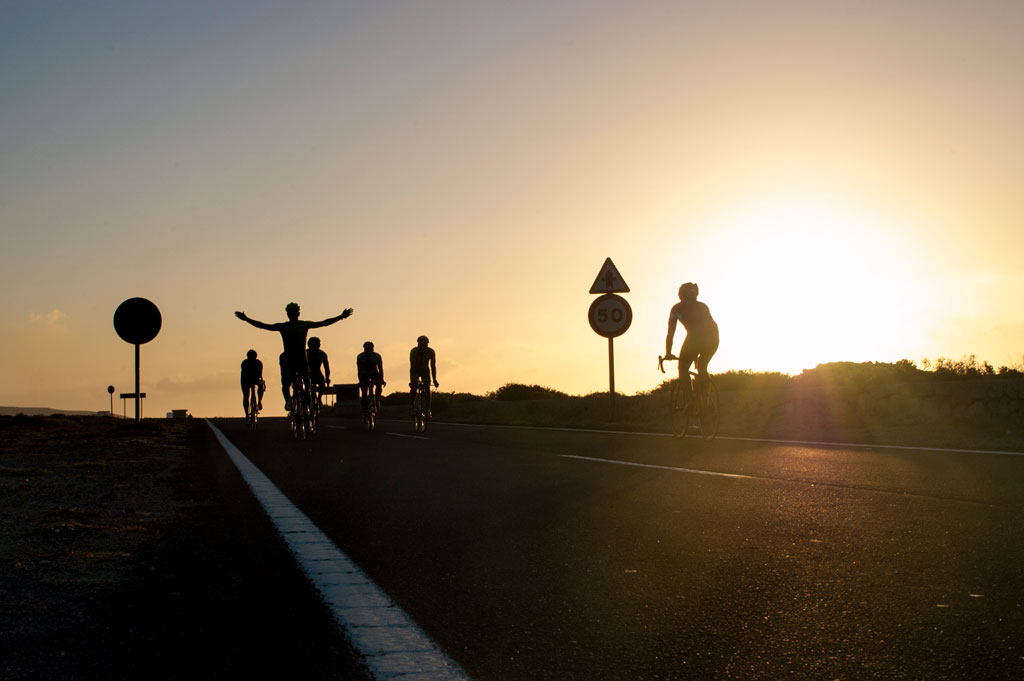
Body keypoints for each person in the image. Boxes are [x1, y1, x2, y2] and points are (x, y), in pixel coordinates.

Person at [235, 303, 353, 410]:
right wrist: (246, 319)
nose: (292, 315)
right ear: (293, 314)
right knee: (288, 382)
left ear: (297, 314)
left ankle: (297, 400)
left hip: (299, 359)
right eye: (291, 313)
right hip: (291, 359)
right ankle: (289, 399)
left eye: (293, 313)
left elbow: (323, 323)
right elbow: (323, 323)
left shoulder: (298, 325)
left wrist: (340, 317)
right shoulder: (288, 326)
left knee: (301, 382)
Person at [664, 282, 719, 410]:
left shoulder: (676, 308)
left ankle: (690, 400)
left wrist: (668, 352)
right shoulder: (702, 306)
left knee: (683, 368)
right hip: (713, 338)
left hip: (695, 337)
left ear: (680, 295)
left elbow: (670, 332)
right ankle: (705, 400)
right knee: (702, 366)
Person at [409, 335, 439, 416]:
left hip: (425, 370)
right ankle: (413, 407)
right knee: (414, 387)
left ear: (427, 345)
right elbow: (412, 366)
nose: (422, 346)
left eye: (424, 344)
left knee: (427, 388)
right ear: (418, 344)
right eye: (421, 344)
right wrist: (411, 380)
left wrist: (434, 379)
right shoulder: (413, 351)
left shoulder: (431, 352)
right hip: (416, 369)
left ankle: (428, 409)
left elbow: (433, 366)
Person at [356, 341, 386, 418]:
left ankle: (377, 399)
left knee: (379, 385)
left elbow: (380, 369)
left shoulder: (377, 356)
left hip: (374, 373)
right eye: (367, 349)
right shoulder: (360, 357)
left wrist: (381, 379)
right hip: (364, 374)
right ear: (364, 349)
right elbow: (359, 370)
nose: (369, 350)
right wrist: (361, 381)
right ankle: (364, 410)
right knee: (364, 393)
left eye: (371, 349)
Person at [240, 349, 265, 417]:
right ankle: (247, 414)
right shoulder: (244, 363)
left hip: (255, 378)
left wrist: (261, 382)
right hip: (246, 379)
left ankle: (259, 401)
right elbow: (244, 374)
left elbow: (260, 374)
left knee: (261, 386)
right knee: (246, 396)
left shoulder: (258, 363)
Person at [307, 337, 330, 405]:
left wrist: (327, 378)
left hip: (316, 372)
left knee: (322, 384)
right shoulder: (305, 353)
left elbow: (326, 368)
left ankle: (319, 398)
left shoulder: (322, 354)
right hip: (306, 372)